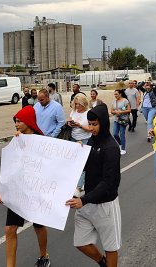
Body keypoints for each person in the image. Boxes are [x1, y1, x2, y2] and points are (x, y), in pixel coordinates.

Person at [65, 103, 121, 267]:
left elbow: (108, 182)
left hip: (105, 206)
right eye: (89, 124)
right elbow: (84, 169)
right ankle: (102, 262)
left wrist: (84, 199)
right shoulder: (91, 142)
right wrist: (78, 152)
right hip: (87, 203)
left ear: (103, 123)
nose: (91, 127)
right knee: (80, 242)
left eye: (94, 124)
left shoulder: (111, 148)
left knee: (111, 247)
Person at [0, 105, 51, 267]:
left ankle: (43, 256)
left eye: (19, 121)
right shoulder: (16, 140)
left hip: (35, 191)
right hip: (18, 191)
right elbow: (9, 167)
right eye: (15, 121)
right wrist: (2, 190)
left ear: (28, 122)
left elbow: (52, 166)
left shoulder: (43, 142)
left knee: (38, 226)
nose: (16, 124)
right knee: (9, 229)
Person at [68, 95, 92, 197]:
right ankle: (76, 183)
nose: (77, 106)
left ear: (84, 104)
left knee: (83, 164)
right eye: (76, 104)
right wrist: (70, 123)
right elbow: (69, 119)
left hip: (85, 139)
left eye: (79, 104)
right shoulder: (73, 111)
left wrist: (80, 125)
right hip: (73, 138)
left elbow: (91, 128)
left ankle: (78, 187)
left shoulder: (89, 113)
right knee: (74, 163)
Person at [111, 89, 131, 155]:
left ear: (120, 94)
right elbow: (112, 111)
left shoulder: (125, 101)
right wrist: (115, 112)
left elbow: (129, 110)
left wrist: (121, 112)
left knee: (122, 134)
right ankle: (119, 144)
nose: (115, 95)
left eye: (116, 94)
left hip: (123, 120)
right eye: (114, 94)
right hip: (116, 119)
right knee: (115, 134)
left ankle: (123, 148)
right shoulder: (114, 102)